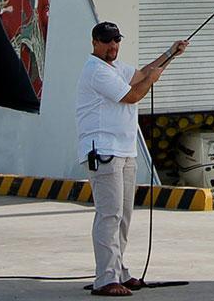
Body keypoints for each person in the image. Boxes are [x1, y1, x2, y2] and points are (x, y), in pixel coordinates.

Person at [76, 21, 188, 297]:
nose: (112, 46)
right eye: (107, 41)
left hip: (125, 151)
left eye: (116, 41)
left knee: (123, 216)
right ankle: (105, 279)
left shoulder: (115, 68)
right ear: (95, 43)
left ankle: (119, 272)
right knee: (109, 214)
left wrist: (170, 53)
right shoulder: (96, 71)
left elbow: (142, 74)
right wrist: (151, 80)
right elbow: (133, 94)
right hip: (103, 151)